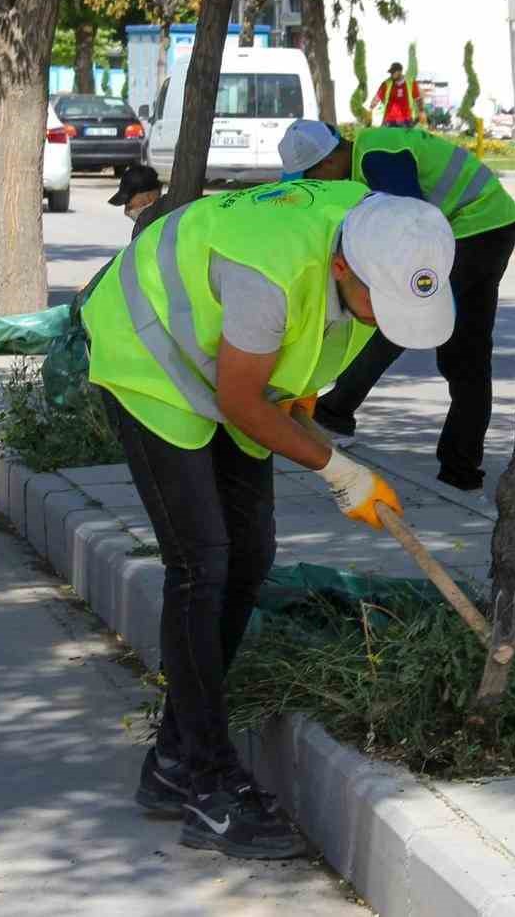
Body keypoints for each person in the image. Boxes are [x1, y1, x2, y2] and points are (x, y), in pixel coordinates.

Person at [81, 179, 455, 860]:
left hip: (231, 363)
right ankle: (209, 785)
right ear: (344, 268)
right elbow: (243, 401)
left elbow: (298, 363)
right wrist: (340, 471)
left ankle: (173, 760)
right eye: (381, 302)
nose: (385, 318)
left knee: (251, 554)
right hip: (155, 355)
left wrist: (308, 417)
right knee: (202, 564)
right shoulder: (270, 274)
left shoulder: (387, 234)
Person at [279, 119, 515, 493]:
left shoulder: (378, 158)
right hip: (492, 224)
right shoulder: (369, 155)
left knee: (395, 315)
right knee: (466, 353)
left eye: (312, 178)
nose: (317, 188)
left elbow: (411, 226)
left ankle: (335, 413)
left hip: (470, 230)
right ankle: (461, 468)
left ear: (328, 163)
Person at [106, 163, 165, 240]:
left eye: (129, 205)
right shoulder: (142, 228)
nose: (126, 212)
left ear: (149, 196)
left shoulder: (167, 225)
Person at [368, 62, 424, 128]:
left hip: (406, 119)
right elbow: (377, 97)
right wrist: (370, 109)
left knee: (405, 138)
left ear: (400, 71)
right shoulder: (386, 83)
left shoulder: (411, 82)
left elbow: (418, 99)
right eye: (391, 73)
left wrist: (421, 112)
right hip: (388, 119)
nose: (391, 75)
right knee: (385, 138)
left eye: (393, 72)